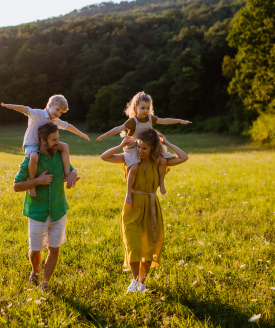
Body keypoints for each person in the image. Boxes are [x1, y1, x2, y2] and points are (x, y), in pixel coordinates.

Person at [100, 129, 189, 293]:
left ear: (153, 148)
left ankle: (141, 282)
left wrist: (167, 143)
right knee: (133, 244)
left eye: (145, 148)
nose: (140, 151)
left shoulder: (160, 161)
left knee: (149, 246)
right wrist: (121, 145)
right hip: (132, 205)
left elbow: (184, 157)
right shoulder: (130, 159)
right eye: (139, 147)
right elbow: (104, 157)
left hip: (151, 206)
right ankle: (134, 280)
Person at [13, 122, 80, 293]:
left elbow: (71, 170)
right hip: (37, 211)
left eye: (58, 139)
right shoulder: (30, 159)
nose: (57, 143)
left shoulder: (60, 155)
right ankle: (35, 271)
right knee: (35, 250)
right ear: (43, 141)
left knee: (54, 249)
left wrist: (73, 174)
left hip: (58, 210)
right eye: (54, 140)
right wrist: (37, 181)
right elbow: (17, 186)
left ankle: (45, 283)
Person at [96, 91, 191, 204]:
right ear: (136, 107)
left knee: (162, 160)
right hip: (134, 146)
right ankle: (128, 192)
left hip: (149, 144)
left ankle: (161, 182)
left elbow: (164, 120)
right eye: (143, 108)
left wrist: (180, 121)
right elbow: (119, 128)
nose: (146, 111)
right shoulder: (133, 121)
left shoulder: (150, 118)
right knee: (134, 167)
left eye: (147, 108)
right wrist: (105, 135)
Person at [2, 94, 89, 198]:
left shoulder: (55, 120)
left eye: (61, 112)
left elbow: (67, 126)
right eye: (57, 109)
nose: (58, 113)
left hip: (47, 145)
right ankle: (32, 183)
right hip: (32, 144)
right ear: (49, 104)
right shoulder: (38, 114)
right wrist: (11, 106)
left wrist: (81, 134)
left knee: (65, 146)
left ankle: (66, 174)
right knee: (34, 157)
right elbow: (25, 109)